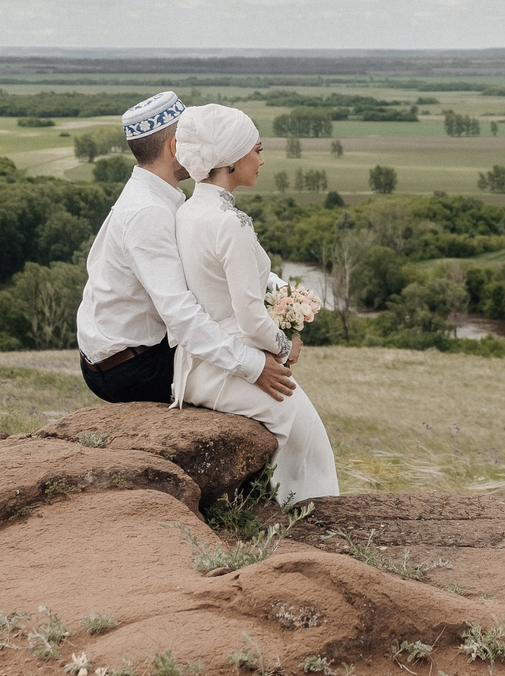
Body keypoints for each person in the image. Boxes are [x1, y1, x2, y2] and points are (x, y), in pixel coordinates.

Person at [74, 91, 296, 414]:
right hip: (127, 367)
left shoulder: (164, 196)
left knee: (248, 333)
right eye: (191, 137)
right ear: (175, 147)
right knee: (255, 357)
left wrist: (285, 301)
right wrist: (254, 366)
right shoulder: (147, 212)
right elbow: (180, 314)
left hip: (136, 349)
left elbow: (214, 268)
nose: (201, 144)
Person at [173, 103, 340, 504]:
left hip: (194, 363)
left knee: (302, 426)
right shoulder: (231, 223)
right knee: (307, 432)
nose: (262, 160)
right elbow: (249, 317)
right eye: (257, 150)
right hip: (227, 365)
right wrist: (286, 347)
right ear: (230, 160)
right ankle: (307, 520)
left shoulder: (187, 210)